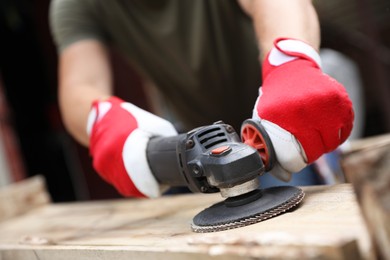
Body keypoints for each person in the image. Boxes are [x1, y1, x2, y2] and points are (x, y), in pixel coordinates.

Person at [49, 0, 354, 198]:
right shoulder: (76, 5)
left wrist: (290, 64)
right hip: (196, 134)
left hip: (281, 124)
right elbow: (81, 84)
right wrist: (104, 121)